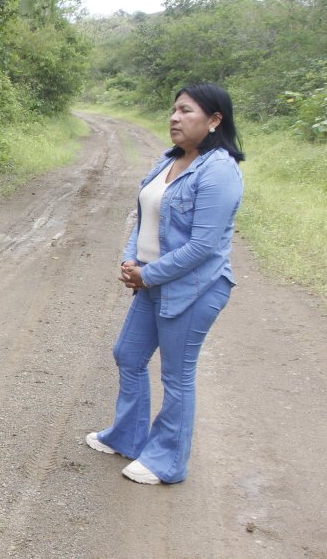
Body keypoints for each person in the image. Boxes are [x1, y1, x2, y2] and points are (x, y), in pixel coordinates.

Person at [86, 83, 245, 485]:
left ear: (213, 121)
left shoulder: (219, 170)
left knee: (176, 375)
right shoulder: (168, 160)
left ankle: (168, 461)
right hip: (152, 282)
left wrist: (147, 274)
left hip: (195, 290)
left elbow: (204, 246)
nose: (174, 118)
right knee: (128, 354)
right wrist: (130, 258)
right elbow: (145, 219)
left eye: (186, 111)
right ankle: (128, 437)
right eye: (174, 110)